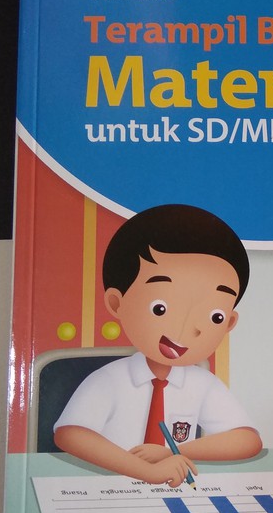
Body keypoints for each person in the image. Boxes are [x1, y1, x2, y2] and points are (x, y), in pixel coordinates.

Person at [54, 204, 262, 486]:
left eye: (215, 316)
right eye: (160, 308)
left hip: (172, 490)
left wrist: (173, 452)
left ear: (229, 323)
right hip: (108, 489)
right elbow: (70, 434)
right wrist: (147, 472)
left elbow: (248, 440)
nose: (188, 328)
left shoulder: (202, 383)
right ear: (117, 303)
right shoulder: (110, 379)